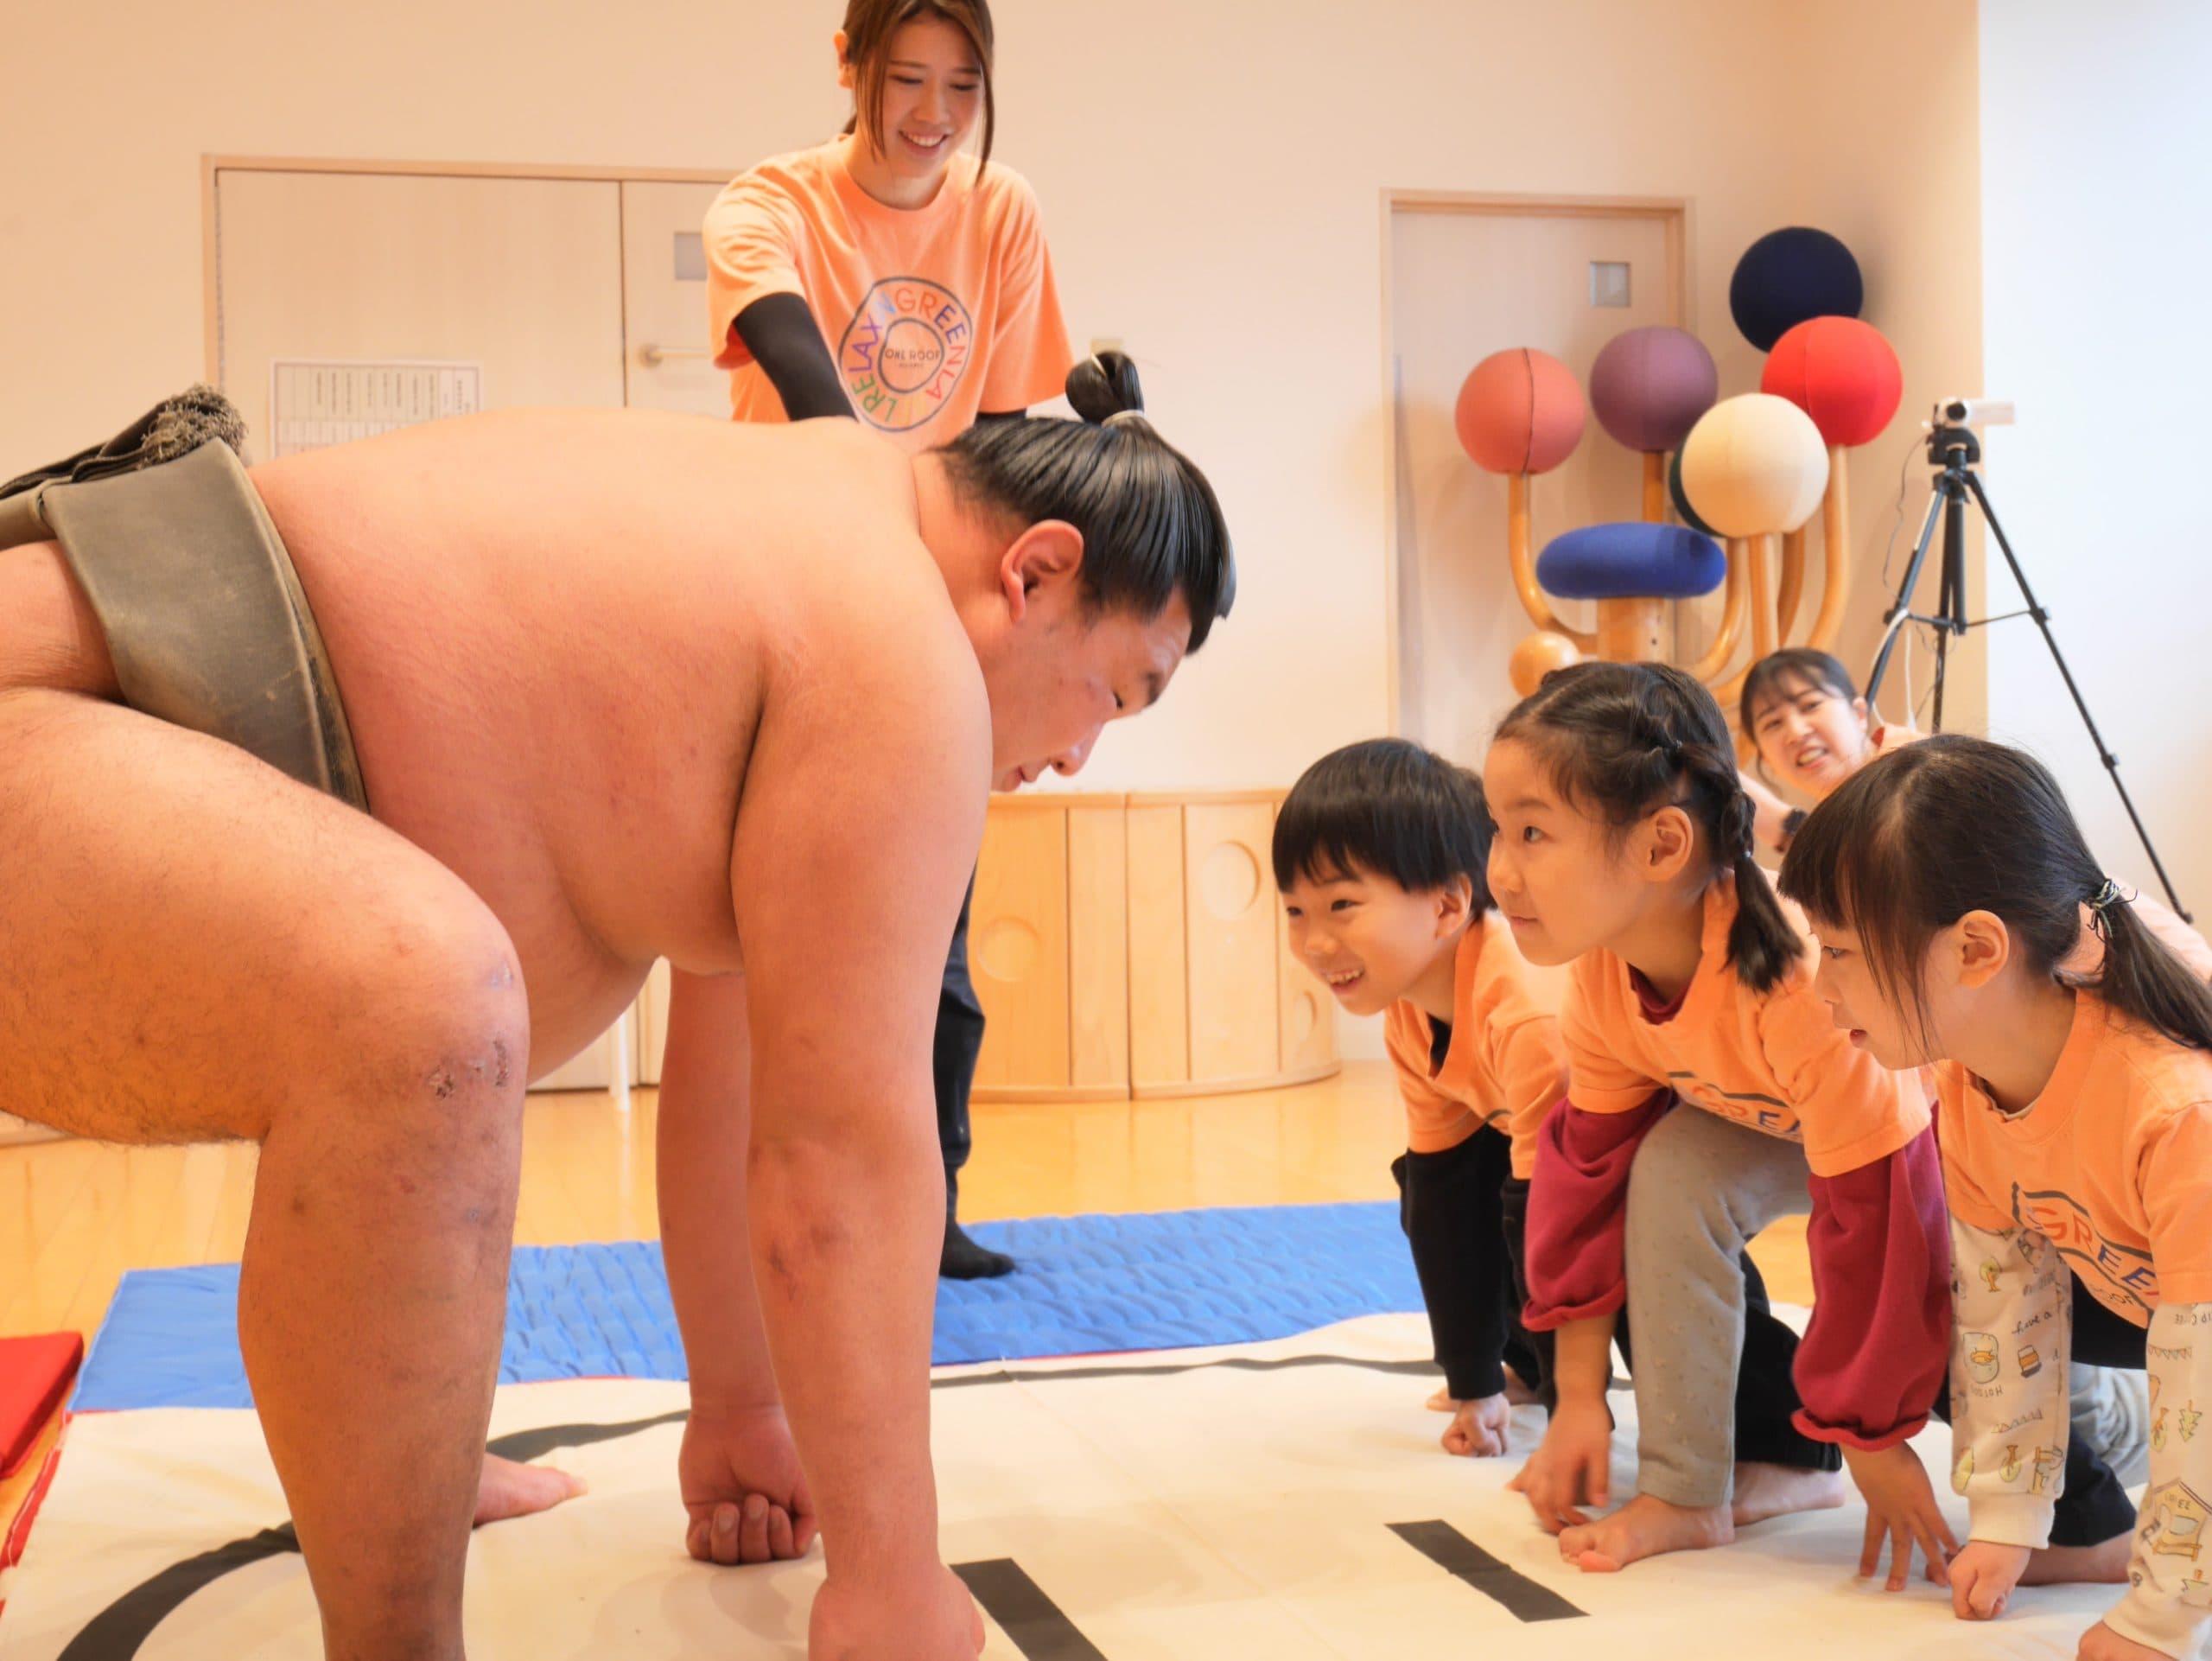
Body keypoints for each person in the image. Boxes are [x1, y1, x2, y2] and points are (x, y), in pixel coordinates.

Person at [0, 372, 1232, 1660]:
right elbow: (844, 1158)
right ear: (1033, 574)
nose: (1085, 755)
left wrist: (745, 1410)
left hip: (100, 727)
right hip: (48, 722)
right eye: (1116, 690)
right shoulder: (900, 647)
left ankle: (392, 1464)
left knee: (414, 994)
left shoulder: (820, 525)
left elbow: (743, 1089)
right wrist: (892, 1582)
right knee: (423, 997)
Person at [701, 0, 1077, 1278]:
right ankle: (770, 1212)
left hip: (931, 608)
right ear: (850, 66)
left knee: (939, 951)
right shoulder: (769, 205)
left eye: (960, 86)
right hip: (790, 593)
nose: (931, 113)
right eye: (906, 78)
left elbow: (1014, 427)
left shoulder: (1000, 207)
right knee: (754, 956)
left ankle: (933, 1199)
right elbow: (818, 404)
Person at [1486, 661, 1955, 1583]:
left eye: (1533, 832)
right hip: (1790, 1124)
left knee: (2010, 1375)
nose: (1501, 869)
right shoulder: (1605, 976)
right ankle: (1687, 1489)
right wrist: (1574, 1398)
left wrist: (1871, 1439)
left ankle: (2121, 1419)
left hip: (1940, 1140)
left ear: (1663, 844)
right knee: (1665, 1168)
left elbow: (1880, 1214)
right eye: (1496, 830)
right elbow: (1584, 1188)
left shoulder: (1804, 980)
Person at [1781, 735, 2212, 1661]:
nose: (1820, 989)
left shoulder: (2178, 1112)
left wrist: (2161, 1618)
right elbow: (1999, 1305)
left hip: (2198, 1327)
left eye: (1842, 953)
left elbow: (2203, 1377)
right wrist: (2011, 1517)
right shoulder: (1970, 1081)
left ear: (1975, 948)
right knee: (1930, 1302)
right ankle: (2098, 1481)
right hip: (2159, 1302)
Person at [1274, 739, 1561, 1456]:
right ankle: (1520, 1367)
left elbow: (1557, 1222)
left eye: (1341, 904)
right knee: (1449, 1184)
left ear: (1448, 905)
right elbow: (1442, 1199)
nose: (1314, 941)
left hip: (1684, 1132)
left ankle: (1774, 1439)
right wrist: (1473, 1384)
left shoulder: (1526, 1012)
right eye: (1295, 912)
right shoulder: (1410, 1006)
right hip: (1559, 1156)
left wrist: (1576, 1414)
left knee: (1571, 1217)